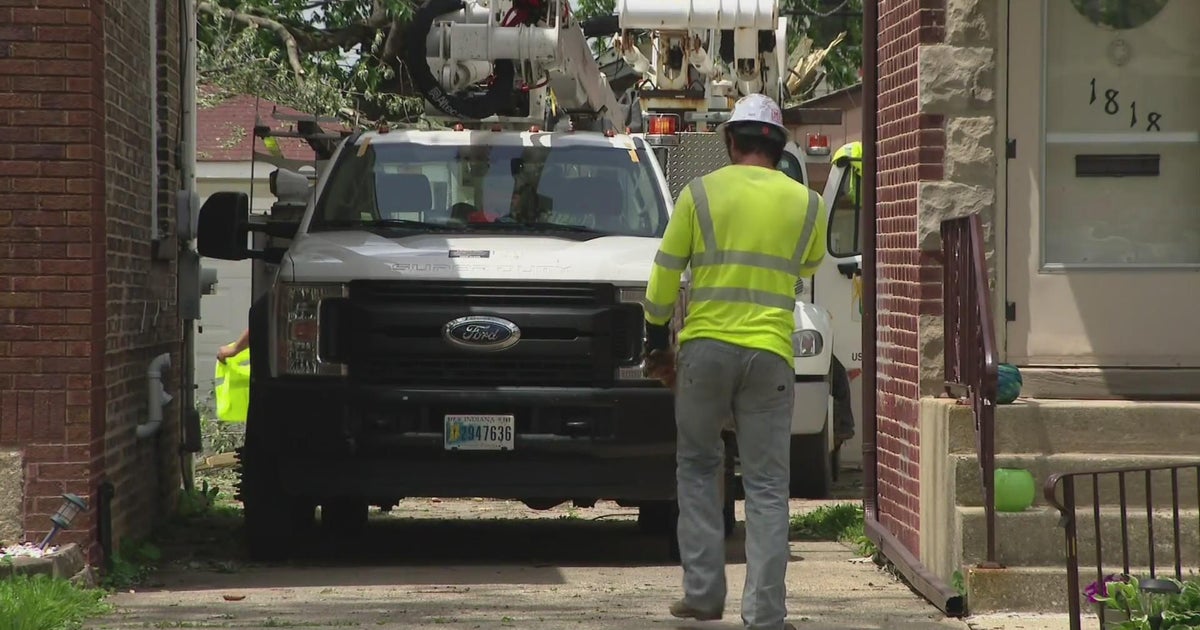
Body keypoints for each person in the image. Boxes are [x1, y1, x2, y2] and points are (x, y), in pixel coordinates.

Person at [642, 93, 827, 630]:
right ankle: (765, 614)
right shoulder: (806, 203)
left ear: (729, 143)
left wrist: (657, 341)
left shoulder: (698, 194)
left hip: (704, 352)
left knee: (699, 467)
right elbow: (810, 259)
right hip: (770, 354)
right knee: (767, 486)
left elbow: (663, 278)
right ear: (779, 147)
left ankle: (702, 595)